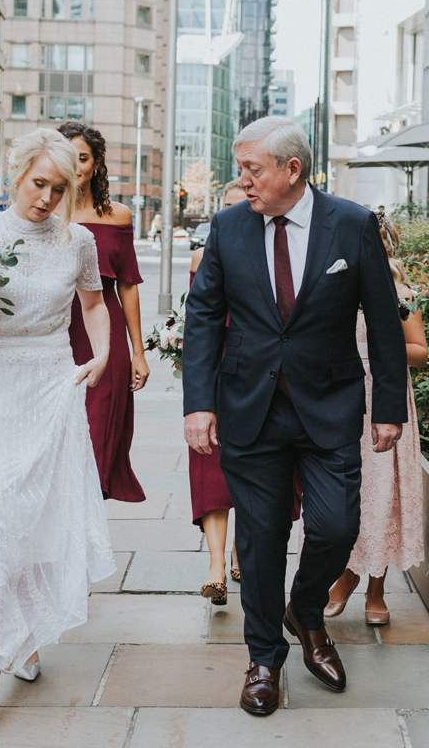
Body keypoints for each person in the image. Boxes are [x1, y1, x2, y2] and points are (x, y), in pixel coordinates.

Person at [183, 116, 408, 717]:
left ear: (292, 170)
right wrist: (199, 403)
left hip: (328, 407)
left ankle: (305, 611)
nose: (243, 181)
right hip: (248, 410)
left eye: (253, 169)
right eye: (241, 169)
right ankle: (264, 659)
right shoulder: (229, 226)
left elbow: (384, 320)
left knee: (337, 527)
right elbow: (202, 315)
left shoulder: (352, 225)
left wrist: (388, 407)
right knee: (259, 542)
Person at [0, 128, 116, 706]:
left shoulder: (78, 243)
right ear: (16, 177)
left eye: (59, 187)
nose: (46, 198)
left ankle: (23, 640)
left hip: (51, 383)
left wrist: (100, 356)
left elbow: (96, 304)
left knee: (33, 515)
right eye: (38, 184)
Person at [323, 217, 427, 625]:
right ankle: (345, 574)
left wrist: (383, 349)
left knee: (384, 490)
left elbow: (420, 351)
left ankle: (376, 592)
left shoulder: (403, 294)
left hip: (384, 397)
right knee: (350, 490)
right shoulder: (336, 289)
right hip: (344, 396)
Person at [59, 121, 149, 504]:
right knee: (60, 435)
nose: (75, 165)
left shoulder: (119, 216)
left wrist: (138, 352)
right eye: (67, 157)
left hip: (104, 335)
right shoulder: (44, 214)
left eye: (82, 157)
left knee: (98, 435)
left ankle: (84, 522)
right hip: (57, 333)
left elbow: (127, 284)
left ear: (96, 164)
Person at [188, 179, 249, 606]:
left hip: (255, 375)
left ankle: (240, 553)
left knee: (251, 467)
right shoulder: (200, 257)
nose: (229, 214)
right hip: (214, 375)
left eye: (239, 204)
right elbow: (198, 320)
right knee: (212, 470)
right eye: (224, 206)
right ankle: (215, 567)